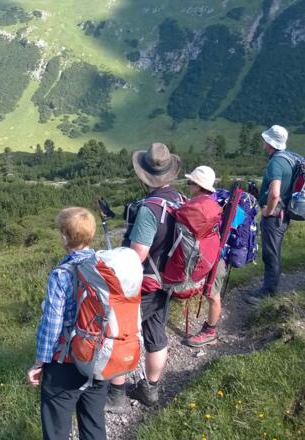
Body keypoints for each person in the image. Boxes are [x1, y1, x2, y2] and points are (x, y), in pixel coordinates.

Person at [105, 142, 183, 412]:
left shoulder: (150, 210)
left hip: (145, 282)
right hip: (168, 279)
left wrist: (111, 264)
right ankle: (150, 390)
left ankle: (117, 396)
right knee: (155, 332)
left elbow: (136, 255)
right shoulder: (178, 199)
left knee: (121, 333)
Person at [27, 207, 108, 440]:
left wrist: (39, 362)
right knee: (94, 424)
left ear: (64, 237)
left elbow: (51, 325)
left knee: (56, 430)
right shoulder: (106, 264)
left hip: (68, 362)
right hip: (101, 357)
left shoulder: (61, 274)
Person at [243, 125, 295, 306]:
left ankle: (268, 293)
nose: (263, 142)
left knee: (270, 253)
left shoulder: (275, 163)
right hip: (284, 213)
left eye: (266, 140)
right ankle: (270, 288)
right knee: (274, 252)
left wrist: (268, 211)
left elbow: (275, 193)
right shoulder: (289, 158)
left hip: (275, 216)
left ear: (270, 143)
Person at [182, 166, 226, 348]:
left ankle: (211, 331)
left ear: (198, 186)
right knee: (212, 293)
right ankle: (210, 329)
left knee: (213, 295)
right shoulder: (212, 204)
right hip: (213, 254)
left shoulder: (198, 207)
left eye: (190, 182)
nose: (188, 185)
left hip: (210, 258)